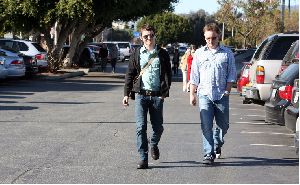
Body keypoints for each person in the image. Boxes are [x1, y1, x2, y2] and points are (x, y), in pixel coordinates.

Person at [122, 24, 172, 169]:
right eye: (146, 36)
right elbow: (130, 74)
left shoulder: (162, 54)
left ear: (155, 35)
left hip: (157, 96)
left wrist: (164, 93)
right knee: (140, 127)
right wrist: (126, 94)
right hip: (141, 95)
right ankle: (143, 158)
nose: (149, 38)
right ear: (141, 38)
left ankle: (154, 143)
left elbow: (168, 75)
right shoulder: (136, 53)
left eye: (151, 35)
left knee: (158, 128)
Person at [189, 23, 236, 165]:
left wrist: (227, 90)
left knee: (224, 126)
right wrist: (192, 94)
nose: (210, 41)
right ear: (204, 38)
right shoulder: (199, 53)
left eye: (213, 38)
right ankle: (208, 153)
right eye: (208, 38)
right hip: (204, 95)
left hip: (222, 95)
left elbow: (231, 74)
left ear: (218, 36)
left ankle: (217, 143)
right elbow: (194, 76)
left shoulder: (227, 53)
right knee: (206, 125)